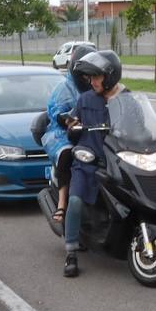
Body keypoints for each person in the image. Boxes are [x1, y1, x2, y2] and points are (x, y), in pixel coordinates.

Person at [61, 50, 125, 278]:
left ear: (109, 76)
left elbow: (141, 125)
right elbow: (72, 122)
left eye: (96, 77)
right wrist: (72, 125)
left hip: (117, 161)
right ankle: (71, 251)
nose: (91, 81)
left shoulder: (126, 99)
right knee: (76, 201)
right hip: (88, 161)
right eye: (90, 77)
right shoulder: (85, 99)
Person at [43, 43, 97, 224]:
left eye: (91, 72)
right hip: (62, 133)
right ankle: (62, 202)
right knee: (67, 154)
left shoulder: (98, 86)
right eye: (85, 73)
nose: (88, 77)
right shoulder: (63, 89)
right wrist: (67, 119)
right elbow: (56, 111)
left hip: (92, 131)